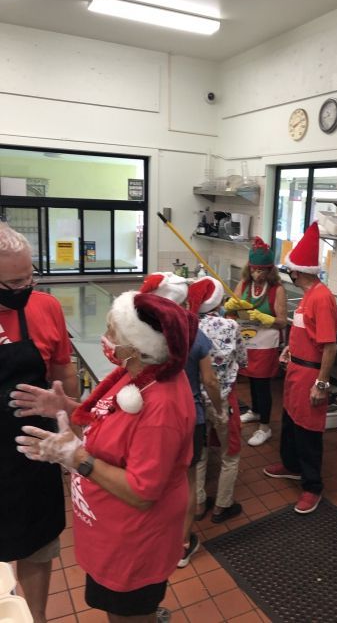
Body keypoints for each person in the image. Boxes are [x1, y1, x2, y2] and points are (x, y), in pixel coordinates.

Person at [13, 291, 197, 622]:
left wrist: (76, 457)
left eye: (112, 330)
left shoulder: (161, 407)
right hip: (111, 532)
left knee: (127, 613)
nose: (106, 336)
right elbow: (106, 419)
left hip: (135, 543)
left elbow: (142, 493)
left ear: (137, 346)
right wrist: (65, 407)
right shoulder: (136, 375)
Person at [0, 222, 78, 623]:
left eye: (29, 277)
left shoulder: (46, 307)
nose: (24, 288)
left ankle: (37, 617)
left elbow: (64, 374)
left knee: (37, 547)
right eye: (13, 283)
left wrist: (68, 420)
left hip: (34, 454)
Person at [139, 272, 223, 568]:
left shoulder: (143, 334)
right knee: (186, 482)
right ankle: (183, 545)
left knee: (156, 480)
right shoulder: (193, 333)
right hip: (190, 418)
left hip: (152, 416)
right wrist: (220, 410)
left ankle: (156, 536)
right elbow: (210, 381)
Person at [263, 222, 337, 514]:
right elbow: (304, 331)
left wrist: (321, 384)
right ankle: (292, 465)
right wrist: (289, 349)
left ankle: (312, 486)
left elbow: (330, 346)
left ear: (297, 272)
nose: (289, 275)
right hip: (295, 371)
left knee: (308, 432)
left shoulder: (321, 298)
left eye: (290, 271)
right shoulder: (308, 296)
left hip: (310, 376)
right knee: (291, 422)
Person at [188, 276, 248, 523]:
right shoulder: (230, 326)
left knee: (200, 453)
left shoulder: (188, 326)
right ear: (218, 301)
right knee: (230, 453)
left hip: (195, 401)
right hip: (222, 399)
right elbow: (242, 359)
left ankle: (199, 504)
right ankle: (223, 505)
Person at [224, 237, 287, 446]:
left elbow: (282, 321)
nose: (257, 274)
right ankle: (256, 411)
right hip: (247, 341)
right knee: (251, 378)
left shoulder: (277, 290)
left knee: (262, 384)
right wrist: (230, 308)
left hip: (266, 344)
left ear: (270, 271)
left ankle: (265, 427)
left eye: (261, 271)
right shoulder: (244, 284)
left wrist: (265, 318)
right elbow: (232, 312)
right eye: (253, 269)